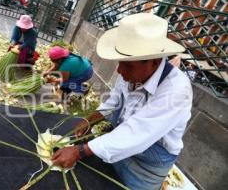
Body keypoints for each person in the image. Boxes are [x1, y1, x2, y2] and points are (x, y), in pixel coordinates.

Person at [51, 13, 193, 190]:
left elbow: (137, 133)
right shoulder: (130, 75)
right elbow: (114, 102)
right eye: (120, 62)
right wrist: (90, 120)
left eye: (128, 65)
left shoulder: (176, 91)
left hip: (146, 166)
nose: (119, 70)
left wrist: (80, 151)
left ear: (154, 62)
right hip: (116, 144)